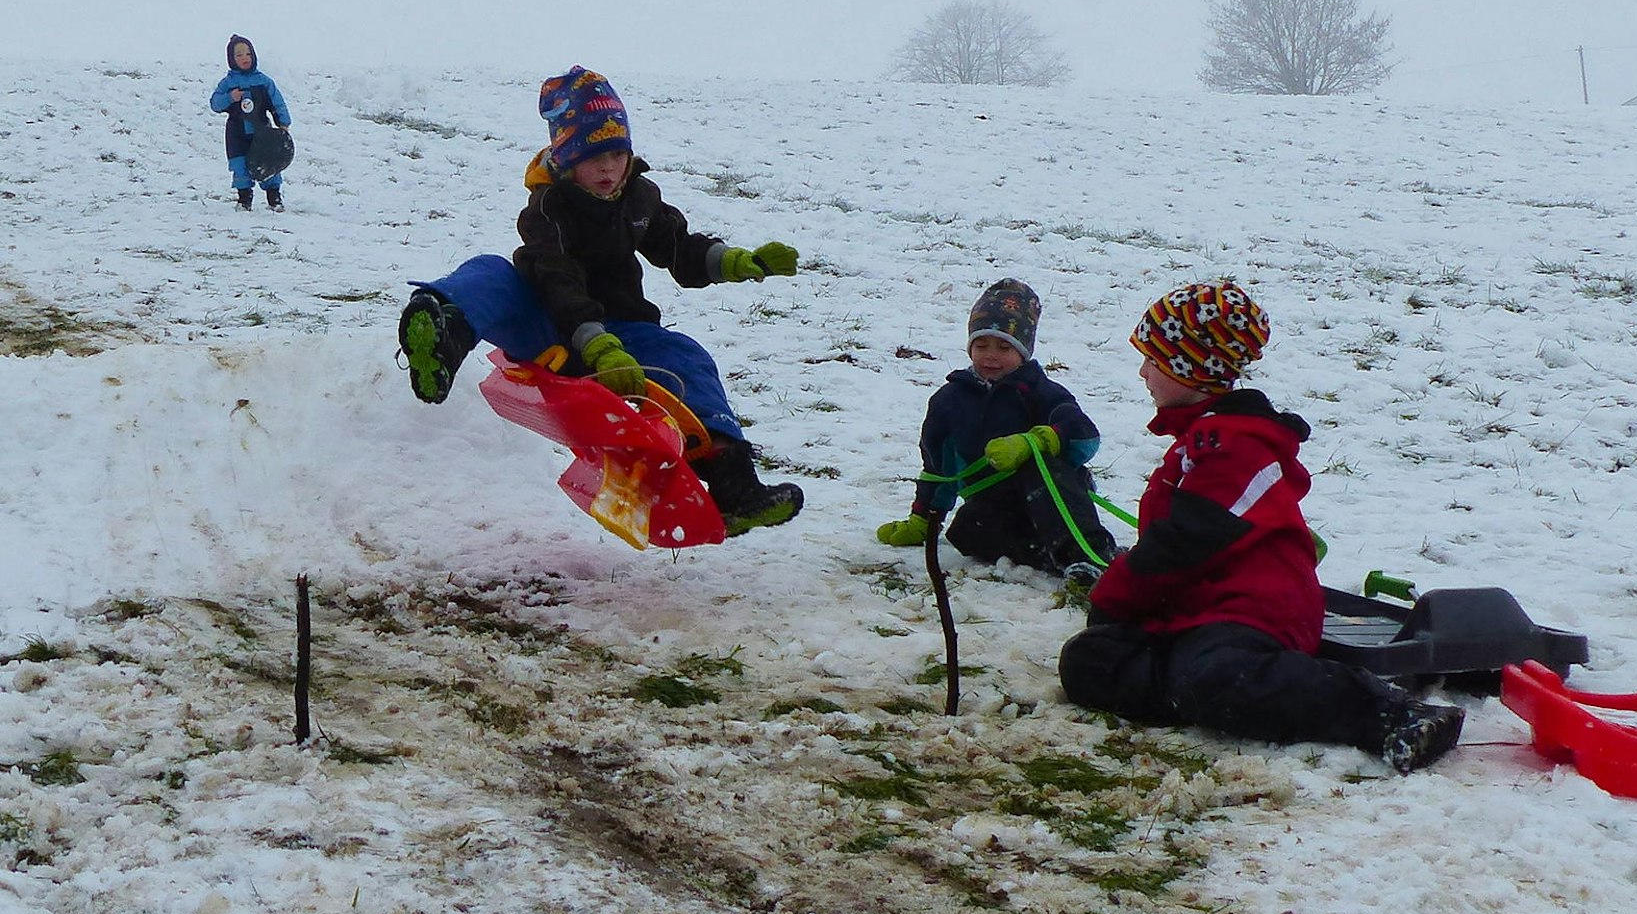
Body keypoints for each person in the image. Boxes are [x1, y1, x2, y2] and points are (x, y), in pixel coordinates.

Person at [1057, 282, 1464, 773]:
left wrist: (1115, 595)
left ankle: (1386, 713)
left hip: (1253, 611)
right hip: (1194, 609)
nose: (1142, 371)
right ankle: (1191, 691)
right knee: (1089, 661)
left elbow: (1188, 539)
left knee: (1216, 674)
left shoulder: (1235, 444)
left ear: (1194, 368)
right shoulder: (1198, 438)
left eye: (1154, 360)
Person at [395, 66, 803, 536]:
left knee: (688, 357)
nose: (608, 168)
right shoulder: (547, 210)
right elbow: (559, 279)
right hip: (546, 323)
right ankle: (441, 338)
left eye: (617, 153)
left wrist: (735, 261)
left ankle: (735, 487)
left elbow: (678, 247)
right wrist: (596, 344)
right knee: (490, 272)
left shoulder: (639, 197)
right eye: (593, 157)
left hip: (622, 329)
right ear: (567, 160)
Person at [876, 279, 1117, 586]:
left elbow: (1084, 435)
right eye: (981, 345)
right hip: (995, 503)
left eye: (1004, 347)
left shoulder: (1041, 391)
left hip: (1052, 498)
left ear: (1024, 350)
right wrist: (924, 518)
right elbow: (938, 468)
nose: (990, 356)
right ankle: (1045, 557)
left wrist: (1033, 442)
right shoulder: (948, 401)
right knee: (965, 530)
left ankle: (1090, 556)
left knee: (1042, 475)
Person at [208, 35, 290, 212]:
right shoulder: (228, 83)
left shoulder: (263, 81)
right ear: (231, 59)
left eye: (247, 54)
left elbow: (277, 102)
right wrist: (230, 97)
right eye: (238, 55)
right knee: (239, 165)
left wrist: (283, 122)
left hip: (261, 132)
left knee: (268, 163)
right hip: (236, 134)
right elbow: (215, 103)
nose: (244, 58)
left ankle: (274, 198)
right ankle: (244, 199)